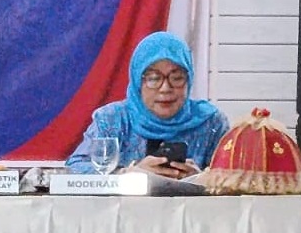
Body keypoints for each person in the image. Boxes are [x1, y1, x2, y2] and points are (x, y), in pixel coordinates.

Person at [66, 30, 230, 179]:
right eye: (153, 78)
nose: (165, 88)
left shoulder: (211, 123)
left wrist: (202, 179)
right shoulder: (112, 119)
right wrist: (126, 174)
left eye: (176, 78)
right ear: (138, 81)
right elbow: (75, 168)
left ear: (189, 80)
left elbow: (234, 177)